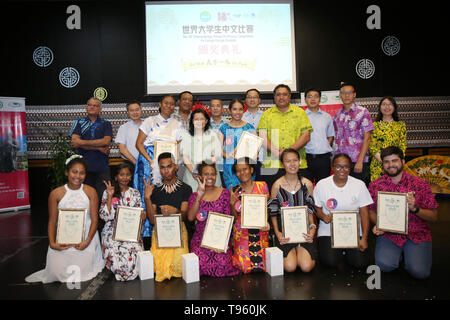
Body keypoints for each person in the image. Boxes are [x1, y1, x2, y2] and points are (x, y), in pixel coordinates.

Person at [25, 155, 104, 283]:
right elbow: (52, 221)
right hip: (63, 237)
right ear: (67, 172)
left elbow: (95, 220)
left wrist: (87, 241)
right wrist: (52, 243)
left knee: (81, 273)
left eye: (82, 173)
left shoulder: (91, 192)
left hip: (86, 237)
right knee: (56, 272)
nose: (78, 176)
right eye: (74, 172)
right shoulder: (56, 194)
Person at [369, 146, 438, 279]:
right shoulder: (375, 185)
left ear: (403, 162)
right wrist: (379, 224)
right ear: (382, 165)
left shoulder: (420, 184)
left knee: (420, 273)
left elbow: (434, 217)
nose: (391, 165)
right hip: (389, 234)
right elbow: (371, 211)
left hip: (416, 234)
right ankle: (398, 255)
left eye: (394, 161)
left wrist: (415, 209)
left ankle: (410, 255)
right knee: (384, 265)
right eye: (386, 162)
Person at [134, 95, 183, 249]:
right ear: (160, 104)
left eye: (171, 104)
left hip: (168, 163)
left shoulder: (177, 123)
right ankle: (146, 238)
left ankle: (166, 233)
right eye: (166, 103)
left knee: (165, 195)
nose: (169, 106)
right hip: (149, 161)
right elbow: (138, 144)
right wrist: (150, 161)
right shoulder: (150, 121)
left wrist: (173, 163)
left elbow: (180, 145)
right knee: (147, 195)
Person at [313, 153, 372, 269]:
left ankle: (345, 250)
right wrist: (322, 216)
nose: (342, 170)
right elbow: (317, 208)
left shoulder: (359, 185)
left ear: (350, 168)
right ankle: (340, 251)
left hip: (354, 232)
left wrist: (364, 238)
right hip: (328, 231)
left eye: (346, 167)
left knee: (360, 263)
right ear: (332, 167)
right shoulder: (322, 185)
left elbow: (365, 213)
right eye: (338, 166)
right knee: (330, 261)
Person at [143, 152, 192, 282]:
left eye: (169, 166)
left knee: (179, 268)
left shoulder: (186, 189)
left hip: (179, 233)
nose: (166, 171)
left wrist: (175, 211)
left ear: (175, 166)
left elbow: (185, 216)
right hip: (160, 233)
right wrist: (147, 198)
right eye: (162, 167)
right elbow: (152, 220)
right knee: (157, 268)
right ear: (159, 169)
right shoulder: (155, 190)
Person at [268, 149, 317, 273]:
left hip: (303, 231)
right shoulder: (276, 185)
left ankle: (300, 248)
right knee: (290, 267)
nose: (292, 164)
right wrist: (278, 232)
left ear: (299, 162)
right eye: (288, 161)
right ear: (282, 164)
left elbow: (310, 210)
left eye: (295, 160)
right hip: (285, 232)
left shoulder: (307, 184)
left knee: (306, 267)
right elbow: (273, 212)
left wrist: (312, 228)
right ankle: (291, 250)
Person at [187, 162, 240, 277]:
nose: (210, 177)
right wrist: (199, 197)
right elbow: (191, 218)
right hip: (201, 240)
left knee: (222, 264)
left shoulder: (226, 193)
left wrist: (232, 204)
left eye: (213, 174)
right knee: (198, 264)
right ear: (200, 176)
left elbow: (234, 218)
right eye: (206, 174)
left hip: (221, 240)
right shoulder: (195, 196)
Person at [257, 84, 313, 190]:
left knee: (299, 198)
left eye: (284, 94)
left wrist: (287, 153)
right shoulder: (266, 114)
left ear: (289, 97)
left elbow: (306, 136)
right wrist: (277, 152)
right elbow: (262, 136)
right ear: (274, 97)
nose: (281, 97)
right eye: (278, 95)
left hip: (297, 164)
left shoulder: (300, 113)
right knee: (273, 200)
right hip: (271, 165)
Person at [99, 162, 145, 281]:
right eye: (121, 174)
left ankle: (130, 271)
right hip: (112, 230)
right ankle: (120, 270)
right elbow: (105, 217)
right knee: (114, 250)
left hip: (131, 231)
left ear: (131, 177)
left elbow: (139, 216)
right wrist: (110, 196)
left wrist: (142, 216)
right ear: (116, 176)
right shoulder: (108, 192)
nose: (125, 178)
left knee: (135, 250)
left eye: (127, 175)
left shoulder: (135, 193)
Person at [229, 157, 270, 274]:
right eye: (238, 170)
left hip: (260, 229)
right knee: (244, 267)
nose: (242, 173)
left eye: (245, 169)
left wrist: (266, 222)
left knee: (263, 266)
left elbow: (267, 208)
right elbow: (234, 217)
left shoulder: (262, 186)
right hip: (242, 231)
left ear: (251, 169)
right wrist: (232, 204)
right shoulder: (235, 191)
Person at [69, 97, 113, 203]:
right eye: (90, 105)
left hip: (102, 167)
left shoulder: (106, 124)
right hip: (83, 167)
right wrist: (98, 147)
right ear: (86, 107)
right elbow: (75, 142)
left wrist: (82, 142)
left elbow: (106, 141)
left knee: (103, 196)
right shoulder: (78, 122)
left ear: (100, 109)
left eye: (95, 105)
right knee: (84, 197)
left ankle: (102, 219)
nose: (92, 107)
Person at [333, 83, 374, 184]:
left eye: (349, 93)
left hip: (356, 160)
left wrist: (360, 161)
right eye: (343, 93)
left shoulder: (363, 112)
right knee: (341, 189)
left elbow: (367, 138)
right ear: (340, 95)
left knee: (357, 191)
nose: (346, 96)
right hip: (340, 161)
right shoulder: (337, 114)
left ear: (354, 94)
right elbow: (336, 137)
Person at [180, 107, 222, 191]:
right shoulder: (187, 135)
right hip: (192, 175)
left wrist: (206, 168)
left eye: (202, 119)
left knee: (212, 199)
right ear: (192, 121)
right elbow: (185, 156)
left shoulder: (212, 134)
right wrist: (193, 171)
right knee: (194, 199)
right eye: (196, 119)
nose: (199, 121)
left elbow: (217, 154)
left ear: (206, 121)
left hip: (210, 174)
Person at [218, 99, 256, 189]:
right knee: (233, 194)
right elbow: (218, 149)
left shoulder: (250, 127)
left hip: (246, 166)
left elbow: (254, 148)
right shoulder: (223, 128)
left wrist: (253, 155)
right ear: (230, 110)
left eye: (240, 109)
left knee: (248, 192)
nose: (237, 112)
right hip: (230, 167)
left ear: (243, 110)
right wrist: (227, 156)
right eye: (235, 109)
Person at [369, 97, 407, 181]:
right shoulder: (373, 125)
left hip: (395, 164)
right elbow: (371, 145)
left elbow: (402, 145)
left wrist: (394, 161)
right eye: (384, 104)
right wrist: (382, 160)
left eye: (390, 104)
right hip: (378, 163)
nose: (387, 107)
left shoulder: (401, 125)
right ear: (380, 108)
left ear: (394, 107)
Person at [303, 88, 335, 184]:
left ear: (320, 99)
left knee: (323, 187)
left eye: (316, 96)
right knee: (306, 187)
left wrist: (323, 148)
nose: (313, 99)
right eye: (309, 97)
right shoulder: (301, 116)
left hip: (323, 159)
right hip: (306, 158)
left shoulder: (327, 116)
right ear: (305, 100)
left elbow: (330, 136)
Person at [242, 88, 264, 181]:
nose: (252, 99)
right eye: (249, 97)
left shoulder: (266, 116)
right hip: (246, 159)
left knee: (262, 186)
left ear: (259, 100)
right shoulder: (241, 117)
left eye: (254, 97)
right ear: (245, 100)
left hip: (264, 157)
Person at [115, 101, 143, 165]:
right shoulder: (123, 128)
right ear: (128, 112)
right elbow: (122, 149)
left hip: (146, 163)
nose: (135, 112)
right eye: (132, 110)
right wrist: (135, 162)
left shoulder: (147, 126)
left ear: (141, 110)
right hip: (129, 163)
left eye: (137, 110)